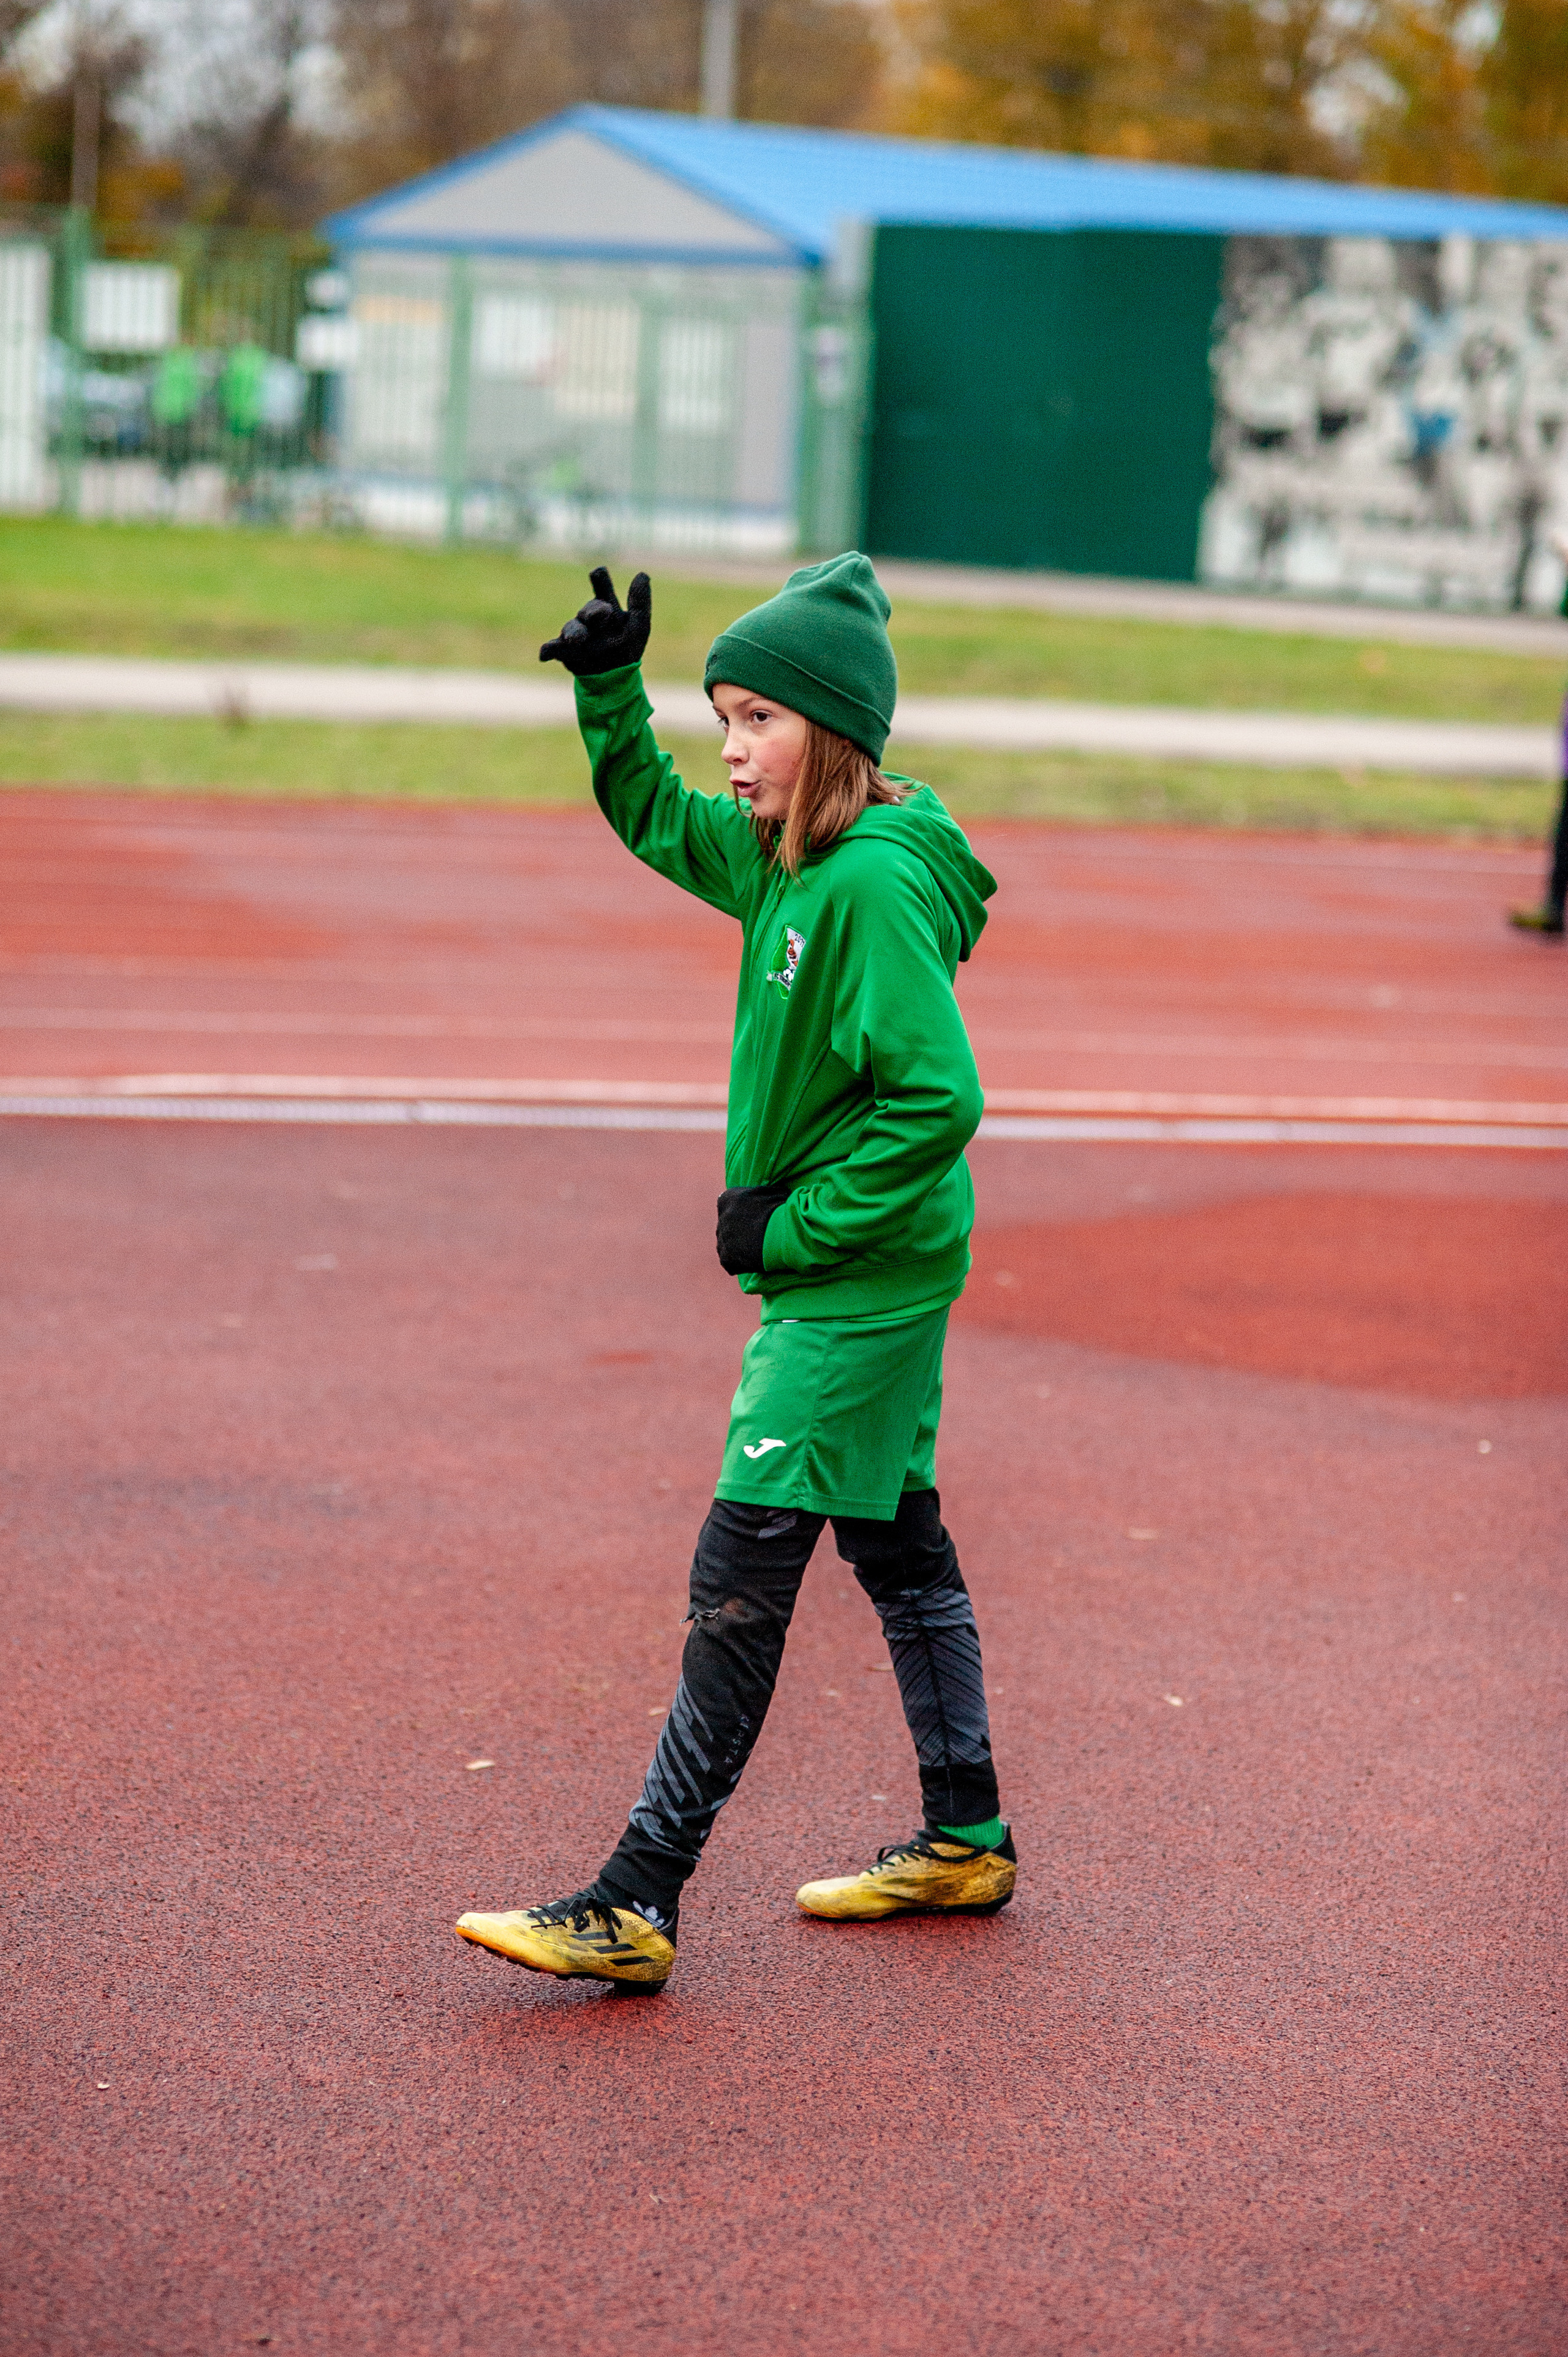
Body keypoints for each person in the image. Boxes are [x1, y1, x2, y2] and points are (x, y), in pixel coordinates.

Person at [456, 555, 1014, 1990]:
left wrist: (791, 1227)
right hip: (868, 1265)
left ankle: (637, 1897)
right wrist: (604, 695)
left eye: (756, 719)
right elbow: (652, 818)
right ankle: (966, 1830)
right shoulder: (786, 857)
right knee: (893, 1536)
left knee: (741, 1569)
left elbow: (934, 1099)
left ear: (829, 731)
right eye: (722, 716)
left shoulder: (872, 892)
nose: (732, 748)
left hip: (857, 1277)